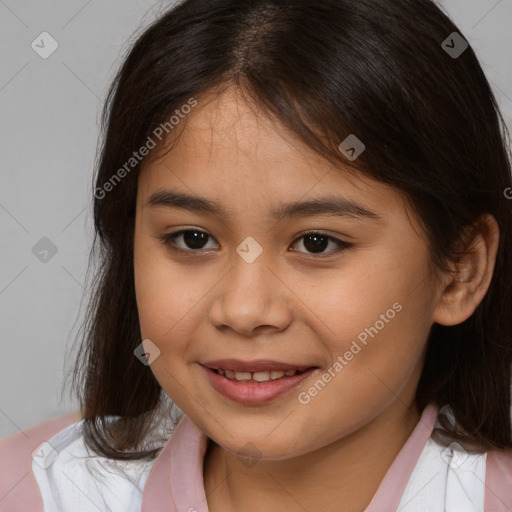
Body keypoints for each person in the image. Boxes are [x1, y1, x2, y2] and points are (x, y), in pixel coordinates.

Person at [1, 0, 512, 510]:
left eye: (317, 242)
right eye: (192, 239)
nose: (243, 312)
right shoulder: (32, 490)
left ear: (460, 272)